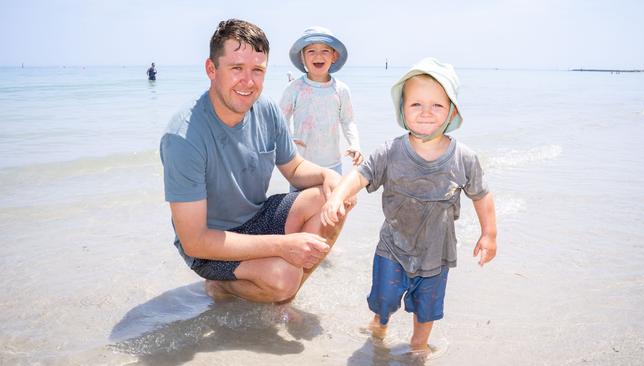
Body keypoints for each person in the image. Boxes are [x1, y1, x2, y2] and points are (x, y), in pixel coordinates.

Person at [160, 19, 350, 304]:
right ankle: (221, 287)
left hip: (256, 218)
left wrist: (329, 177)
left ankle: (284, 299)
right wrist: (283, 245)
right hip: (211, 245)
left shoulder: (267, 110)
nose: (248, 82)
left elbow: (295, 169)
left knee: (333, 200)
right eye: (236, 68)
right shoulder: (183, 137)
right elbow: (194, 240)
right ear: (211, 70)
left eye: (257, 70)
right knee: (282, 277)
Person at [320, 57, 497, 355]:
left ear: (452, 111)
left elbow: (481, 195)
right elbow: (360, 175)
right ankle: (380, 322)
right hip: (392, 248)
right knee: (385, 298)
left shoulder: (464, 157)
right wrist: (337, 195)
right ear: (402, 109)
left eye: (437, 105)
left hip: (436, 255)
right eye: (416, 104)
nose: (426, 112)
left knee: (426, 310)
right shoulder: (390, 151)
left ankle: (419, 344)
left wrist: (489, 233)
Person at [279, 26, 362, 181]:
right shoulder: (294, 88)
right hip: (301, 166)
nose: (318, 56)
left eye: (325, 51)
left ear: (334, 56)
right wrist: (288, 139)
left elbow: (348, 120)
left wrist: (355, 144)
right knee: (301, 204)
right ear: (302, 57)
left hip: (333, 164)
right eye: (311, 51)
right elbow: (280, 119)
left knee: (333, 203)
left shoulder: (341, 89)